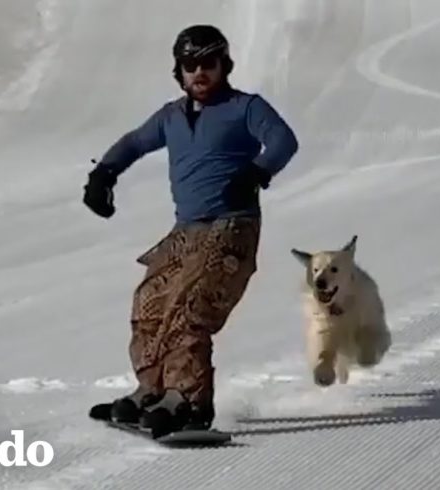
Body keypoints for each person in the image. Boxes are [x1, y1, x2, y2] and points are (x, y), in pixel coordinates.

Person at [84, 24, 299, 437]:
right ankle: (153, 391)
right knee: (150, 300)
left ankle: (190, 402)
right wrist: (104, 174)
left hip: (231, 225)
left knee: (190, 307)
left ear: (224, 65)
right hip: (187, 231)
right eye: (189, 65)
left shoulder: (245, 107)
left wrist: (257, 171)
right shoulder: (171, 117)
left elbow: (283, 141)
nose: (199, 72)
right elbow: (134, 142)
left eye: (208, 63)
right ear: (179, 71)